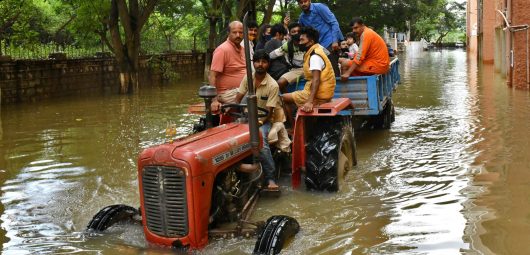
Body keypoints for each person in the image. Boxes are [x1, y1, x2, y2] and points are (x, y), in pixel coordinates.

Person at [234, 49, 287, 190]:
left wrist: (260, 122)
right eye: (257, 61)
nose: (260, 64)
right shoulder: (247, 78)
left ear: (268, 64)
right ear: (253, 63)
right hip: (245, 118)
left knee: (261, 141)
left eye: (263, 62)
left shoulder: (273, 85)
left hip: (264, 120)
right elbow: (238, 98)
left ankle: (271, 178)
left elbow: (269, 112)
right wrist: (228, 110)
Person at [282, 27, 336, 113]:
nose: (299, 43)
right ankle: (296, 116)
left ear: (311, 42)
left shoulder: (314, 56)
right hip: (321, 93)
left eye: (302, 40)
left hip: (319, 96)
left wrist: (310, 102)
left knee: (281, 98)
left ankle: (292, 125)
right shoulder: (316, 49)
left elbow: (316, 79)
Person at [297, 0, 343, 77]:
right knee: (322, 70)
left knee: (333, 68)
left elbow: (334, 22)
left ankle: (336, 87)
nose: (303, 4)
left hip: (329, 41)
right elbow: (302, 34)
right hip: (317, 46)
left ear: (309, 1)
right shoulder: (302, 18)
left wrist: (335, 41)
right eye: (301, 3)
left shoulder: (319, 7)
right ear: (299, 4)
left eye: (305, 1)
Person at [209, 21, 246, 110]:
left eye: (240, 32)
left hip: (241, 90)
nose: (238, 35)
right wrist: (214, 100)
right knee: (252, 97)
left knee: (269, 90)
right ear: (228, 33)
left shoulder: (243, 49)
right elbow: (212, 75)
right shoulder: (222, 50)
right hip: (227, 93)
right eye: (234, 32)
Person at [269, 22, 305, 90]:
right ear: (290, 34)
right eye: (294, 32)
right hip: (296, 70)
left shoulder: (309, 42)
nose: (297, 33)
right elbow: (272, 55)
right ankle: (285, 98)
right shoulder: (287, 45)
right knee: (280, 83)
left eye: (299, 31)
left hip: (311, 69)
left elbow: (324, 53)